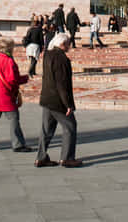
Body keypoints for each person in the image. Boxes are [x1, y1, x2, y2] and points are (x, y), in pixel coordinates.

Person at [35, 33, 81, 168]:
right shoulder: (62, 59)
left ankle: (41, 157)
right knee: (70, 126)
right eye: (68, 43)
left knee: (46, 129)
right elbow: (62, 84)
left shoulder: (48, 55)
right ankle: (67, 158)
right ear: (62, 44)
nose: (70, 46)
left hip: (46, 97)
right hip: (57, 100)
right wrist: (68, 104)